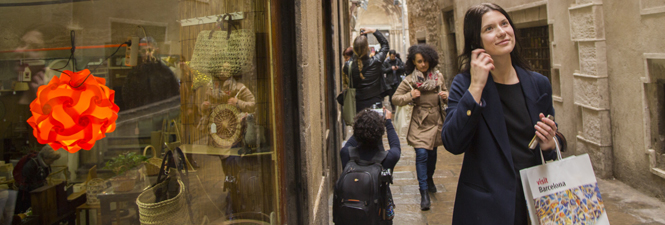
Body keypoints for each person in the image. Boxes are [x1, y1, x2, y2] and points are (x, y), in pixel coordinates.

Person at [441, 3, 564, 224]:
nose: (501, 32)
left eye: (504, 24)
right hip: (487, 207)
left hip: (536, 200)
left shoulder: (538, 83)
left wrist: (550, 142)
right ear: (476, 42)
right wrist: (476, 87)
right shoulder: (465, 84)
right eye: (489, 28)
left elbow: (554, 137)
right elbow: (452, 142)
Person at [391, 44, 448, 211]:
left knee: (432, 155)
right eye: (420, 61)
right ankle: (423, 192)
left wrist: (446, 95)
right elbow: (395, 98)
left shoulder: (438, 78)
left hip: (435, 122)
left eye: (426, 61)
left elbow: (446, 93)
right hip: (418, 122)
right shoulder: (409, 81)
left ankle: (429, 178)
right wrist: (410, 95)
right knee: (422, 154)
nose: (423, 64)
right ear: (413, 63)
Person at [339, 108, 400, 225]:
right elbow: (396, 146)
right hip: (377, 217)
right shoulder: (388, 159)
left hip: (350, 215)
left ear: (356, 131)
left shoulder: (346, 154)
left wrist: (363, 122)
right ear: (380, 132)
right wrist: (388, 121)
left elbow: (351, 142)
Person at [342, 28, 390, 112]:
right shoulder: (376, 61)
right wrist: (374, 31)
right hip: (375, 103)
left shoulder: (348, 66)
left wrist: (359, 45)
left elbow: (355, 59)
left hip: (358, 104)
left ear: (354, 50)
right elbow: (385, 45)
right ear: (368, 48)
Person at [15, 145, 61, 213]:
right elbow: (30, 182)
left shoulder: (44, 165)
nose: (52, 162)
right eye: (51, 160)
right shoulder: (31, 165)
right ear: (45, 158)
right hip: (27, 195)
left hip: (38, 191)